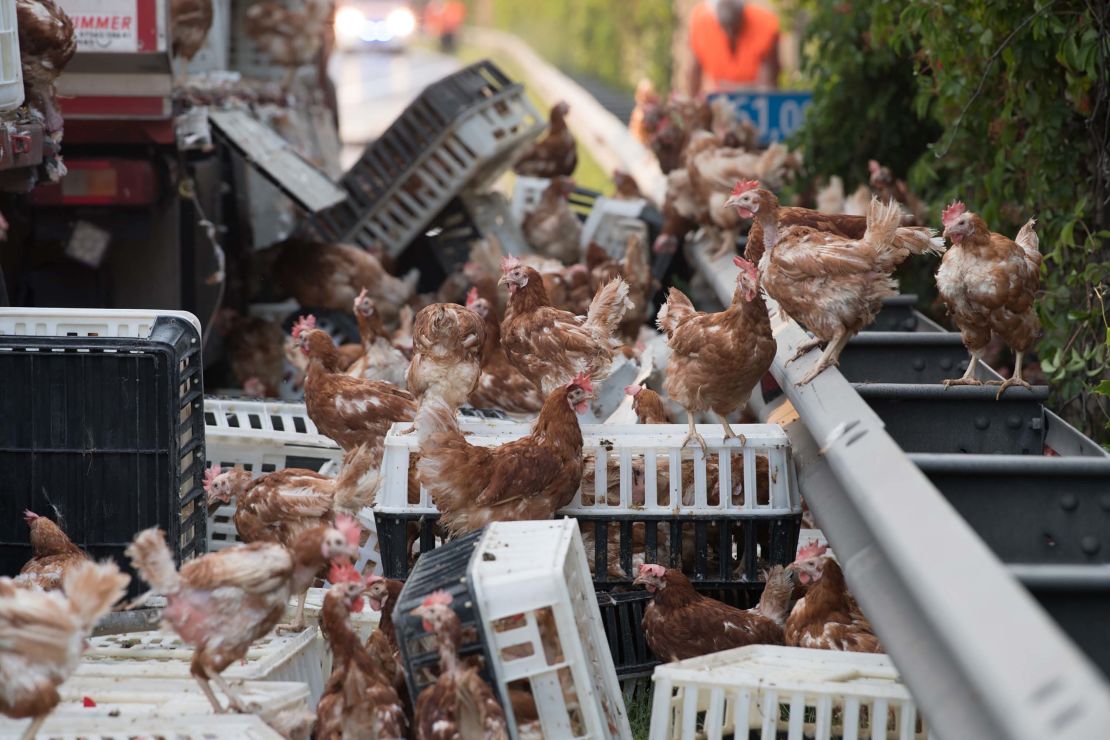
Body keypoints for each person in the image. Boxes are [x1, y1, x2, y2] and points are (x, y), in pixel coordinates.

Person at [688, 0, 781, 95]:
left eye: (734, 26)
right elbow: (695, 73)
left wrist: (742, 90)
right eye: (726, 27)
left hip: (755, 97)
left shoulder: (765, 25)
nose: (730, 34)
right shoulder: (701, 24)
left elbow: (768, 83)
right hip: (720, 99)